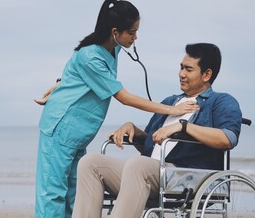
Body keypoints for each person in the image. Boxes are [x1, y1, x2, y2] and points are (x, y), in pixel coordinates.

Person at [34, 0, 198, 218]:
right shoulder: (90, 56)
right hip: (60, 126)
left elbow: (76, 73)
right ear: (114, 32)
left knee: (73, 194)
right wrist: (171, 110)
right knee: (53, 194)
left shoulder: (113, 49)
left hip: (77, 134)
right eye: (131, 32)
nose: (135, 37)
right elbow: (124, 97)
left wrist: (61, 83)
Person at [72, 43, 243, 218]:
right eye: (181, 67)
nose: (181, 74)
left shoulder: (220, 101)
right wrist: (134, 131)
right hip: (150, 173)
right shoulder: (169, 102)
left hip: (187, 176)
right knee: (89, 162)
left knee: (138, 165)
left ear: (207, 74)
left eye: (189, 70)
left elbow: (228, 138)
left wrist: (184, 127)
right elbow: (152, 144)